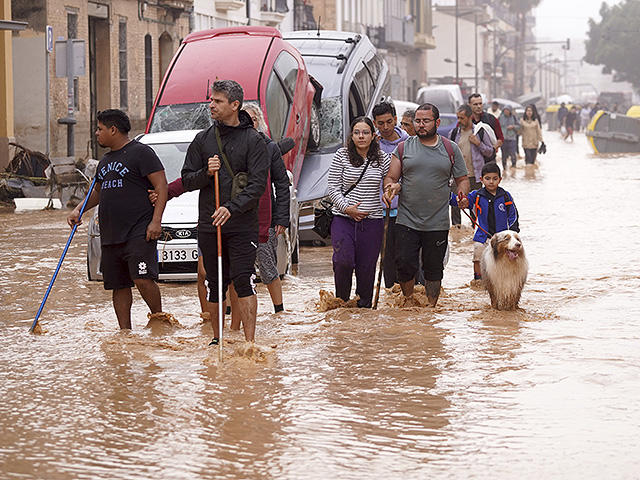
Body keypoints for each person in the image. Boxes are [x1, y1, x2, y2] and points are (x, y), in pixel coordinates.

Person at [182, 79, 270, 346]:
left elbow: (257, 186)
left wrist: (231, 208)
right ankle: (217, 339)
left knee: (244, 279)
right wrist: (206, 173)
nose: (211, 105)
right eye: (211, 100)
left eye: (217, 101)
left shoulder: (254, 141)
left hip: (242, 223)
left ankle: (250, 343)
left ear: (235, 105)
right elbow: (186, 179)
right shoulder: (203, 140)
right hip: (210, 223)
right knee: (214, 281)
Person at [67, 109, 169, 330]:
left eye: (100, 129)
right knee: (118, 285)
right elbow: (98, 190)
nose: (96, 133)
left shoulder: (142, 153)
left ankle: (159, 320)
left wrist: (156, 221)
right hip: (112, 233)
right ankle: (125, 332)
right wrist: (78, 210)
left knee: (142, 278)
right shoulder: (105, 160)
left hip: (139, 229)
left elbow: (161, 186)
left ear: (113, 130)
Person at [383, 103, 470, 307]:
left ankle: (431, 308)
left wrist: (462, 195)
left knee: (433, 269)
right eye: (418, 121)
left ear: (437, 123)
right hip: (407, 219)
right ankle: (408, 301)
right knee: (404, 264)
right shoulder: (404, 148)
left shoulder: (450, 148)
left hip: (437, 221)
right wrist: (391, 188)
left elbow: (462, 179)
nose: (421, 125)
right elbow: (391, 177)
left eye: (426, 121)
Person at [327, 116, 390, 308]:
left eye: (365, 132)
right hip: (343, 219)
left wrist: (390, 191)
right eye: (356, 132)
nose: (361, 136)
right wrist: (347, 208)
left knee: (367, 268)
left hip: (372, 222)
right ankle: (342, 303)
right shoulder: (342, 155)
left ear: (373, 136)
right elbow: (332, 188)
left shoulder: (383, 159)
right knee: (343, 261)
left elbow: (393, 181)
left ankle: (364, 309)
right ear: (351, 136)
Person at [242, 103, 290, 314]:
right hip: (238, 217)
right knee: (237, 270)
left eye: (252, 119)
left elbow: (281, 184)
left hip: (265, 217)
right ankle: (231, 314)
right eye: (245, 119)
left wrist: (281, 218)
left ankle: (279, 311)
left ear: (259, 122)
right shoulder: (233, 145)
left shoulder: (269, 147)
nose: (248, 123)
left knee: (268, 265)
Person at [451, 162, 519, 282]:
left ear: (500, 179)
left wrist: (512, 232)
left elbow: (513, 215)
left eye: (494, 179)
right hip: (482, 236)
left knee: (505, 259)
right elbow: (463, 202)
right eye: (487, 179)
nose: (491, 182)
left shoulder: (506, 196)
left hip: (502, 238)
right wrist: (453, 197)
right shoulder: (476, 195)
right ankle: (478, 280)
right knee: (478, 256)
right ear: (481, 179)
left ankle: (503, 280)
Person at [372, 101, 409, 288]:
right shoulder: (370, 144)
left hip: (405, 210)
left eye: (389, 122)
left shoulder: (408, 143)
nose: (385, 127)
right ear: (374, 123)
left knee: (406, 256)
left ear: (395, 120)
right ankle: (391, 295)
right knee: (386, 257)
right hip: (380, 210)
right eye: (380, 123)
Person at [449, 104, 494, 225]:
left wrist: (478, 143)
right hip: (458, 176)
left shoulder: (480, 132)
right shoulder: (453, 134)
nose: (459, 121)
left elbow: (490, 151)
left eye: (462, 118)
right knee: (455, 205)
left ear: (470, 117)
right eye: (458, 117)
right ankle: (457, 231)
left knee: (476, 206)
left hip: (475, 175)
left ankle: (475, 230)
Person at [468, 93, 503, 161]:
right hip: (472, 160)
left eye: (480, 103)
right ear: (469, 105)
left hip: (489, 160)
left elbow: (500, 138)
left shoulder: (491, 119)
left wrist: (493, 149)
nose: (479, 106)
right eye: (475, 104)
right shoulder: (466, 121)